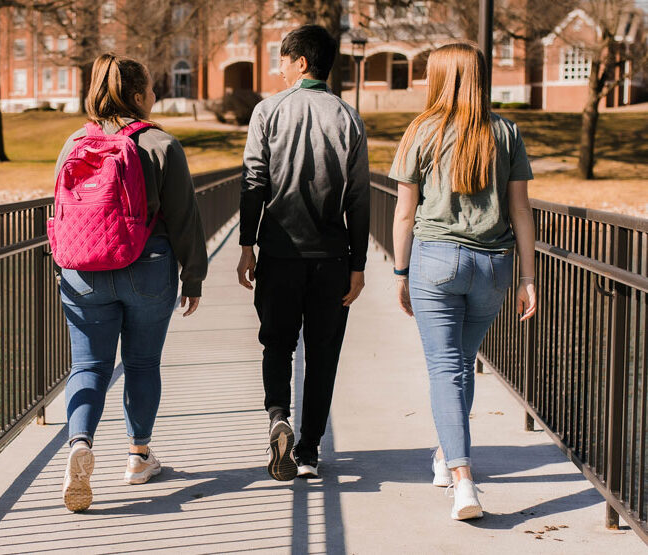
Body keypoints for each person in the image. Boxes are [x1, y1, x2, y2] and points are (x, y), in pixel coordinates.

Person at [390, 43, 537, 520]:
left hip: (436, 261)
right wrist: (528, 277)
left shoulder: (421, 131)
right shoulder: (505, 131)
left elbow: (404, 212)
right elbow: (520, 211)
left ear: (438, 77)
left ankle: (462, 479)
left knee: (445, 368)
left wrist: (400, 270)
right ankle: (444, 457)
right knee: (461, 364)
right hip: (493, 266)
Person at [56, 53, 207, 512]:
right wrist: (193, 276)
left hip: (83, 272)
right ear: (139, 95)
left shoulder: (74, 142)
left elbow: (61, 212)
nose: (156, 96)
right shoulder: (160, 144)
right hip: (147, 266)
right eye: (153, 89)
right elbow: (184, 219)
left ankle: (80, 442)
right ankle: (138, 455)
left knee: (89, 365)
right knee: (141, 365)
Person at [237, 25, 370, 481]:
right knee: (322, 354)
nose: (278, 68)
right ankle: (310, 450)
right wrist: (359, 265)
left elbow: (254, 180)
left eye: (281, 59)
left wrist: (246, 244)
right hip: (332, 257)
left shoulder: (267, 112)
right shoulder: (349, 118)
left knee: (277, 343)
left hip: (279, 252)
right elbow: (359, 199)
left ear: (300, 63)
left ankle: (278, 416)